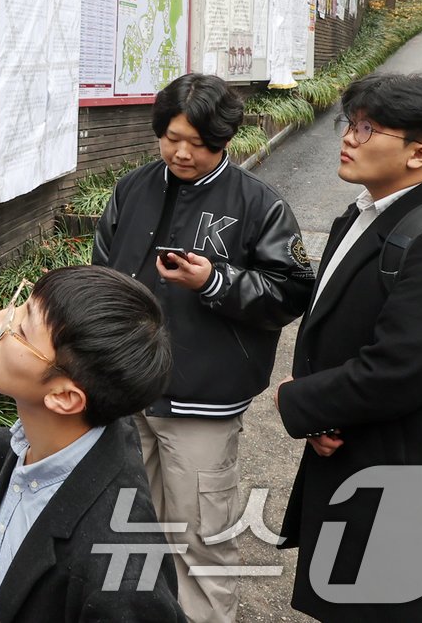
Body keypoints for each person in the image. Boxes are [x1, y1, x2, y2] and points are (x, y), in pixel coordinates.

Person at [91, 72, 315, 623]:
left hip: (202, 398)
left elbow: (291, 292)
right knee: (130, 524)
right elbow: (99, 273)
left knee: (200, 538)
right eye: (171, 138)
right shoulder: (133, 188)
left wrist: (216, 282)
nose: (182, 152)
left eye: (198, 142)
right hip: (127, 390)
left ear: (226, 140)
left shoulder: (259, 204)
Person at [275, 73, 422, 621]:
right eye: (351, 123)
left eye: (369, 128)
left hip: (410, 467)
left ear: (420, 154)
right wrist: (325, 418)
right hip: (359, 448)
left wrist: (303, 403)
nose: (349, 136)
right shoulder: (363, 213)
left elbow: (406, 367)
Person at [0, 265, 183, 622]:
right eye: (21, 305)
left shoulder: (124, 566)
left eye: (21, 330)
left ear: (65, 398)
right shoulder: (73, 430)